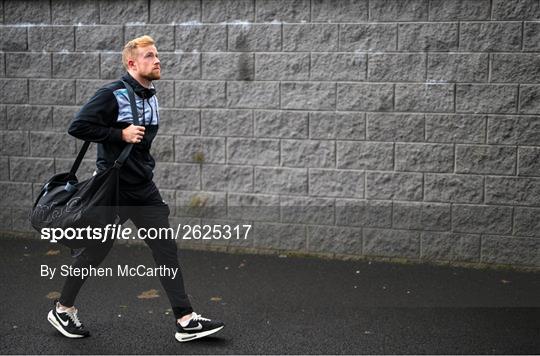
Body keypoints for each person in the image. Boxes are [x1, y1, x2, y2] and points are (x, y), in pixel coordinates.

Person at [46, 35, 224, 343]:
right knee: (95, 250)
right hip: (113, 191)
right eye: (150, 56)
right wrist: (120, 133)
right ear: (132, 63)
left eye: (157, 55)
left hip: (143, 190)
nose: (157, 60)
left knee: (165, 248)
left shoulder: (151, 94)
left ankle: (185, 319)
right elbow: (78, 126)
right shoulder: (112, 94)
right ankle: (63, 309)